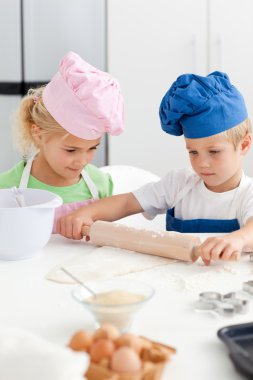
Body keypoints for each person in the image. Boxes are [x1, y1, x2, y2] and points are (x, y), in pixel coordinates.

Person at [57, 71, 253, 264]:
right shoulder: (179, 184)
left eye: (214, 152)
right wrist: (85, 214)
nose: (202, 163)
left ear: (244, 145)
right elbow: (127, 203)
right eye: (193, 152)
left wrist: (237, 239)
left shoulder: (248, 193)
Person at [0, 51, 124, 232]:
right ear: (38, 134)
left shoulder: (101, 184)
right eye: (71, 150)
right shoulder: (6, 187)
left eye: (92, 148)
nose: (82, 161)